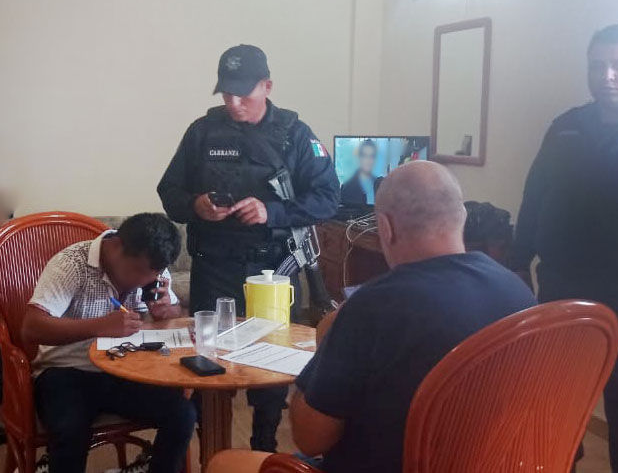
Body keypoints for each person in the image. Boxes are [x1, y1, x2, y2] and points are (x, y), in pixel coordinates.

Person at [208, 161, 536, 473]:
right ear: (460, 216)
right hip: (498, 464)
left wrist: (325, 345)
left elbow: (310, 439)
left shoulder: (371, 307)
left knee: (224, 464)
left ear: (386, 227)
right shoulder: (517, 292)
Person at [157, 44, 340, 451]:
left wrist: (271, 212)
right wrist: (195, 205)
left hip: (273, 270)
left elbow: (329, 197)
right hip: (214, 267)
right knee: (208, 361)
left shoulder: (295, 134)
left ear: (267, 86)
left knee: (271, 364)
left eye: (243, 93)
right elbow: (168, 191)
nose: (234, 103)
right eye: (227, 93)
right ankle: (213, 447)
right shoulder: (202, 132)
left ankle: (263, 447)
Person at [511, 24, 618, 472]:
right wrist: (518, 261)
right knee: (555, 399)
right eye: (597, 66)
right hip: (562, 284)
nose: (607, 76)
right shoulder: (566, 126)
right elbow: (534, 195)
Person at [21, 213, 195, 473]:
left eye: (151, 275)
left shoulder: (152, 265)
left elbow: (173, 312)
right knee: (70, 429)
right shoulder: (72, 263)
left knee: (182, 414)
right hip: (67, 371)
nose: (143, 282)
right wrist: (101, 326)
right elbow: (31, 327)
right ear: (117, 247)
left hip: (128, 369)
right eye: (138, 271)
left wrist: (166, 311)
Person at [340, 139, 383, 205]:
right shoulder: (347, 187)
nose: (368, 160)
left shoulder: (382, 184)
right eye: (365, 156)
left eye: (372, 156)